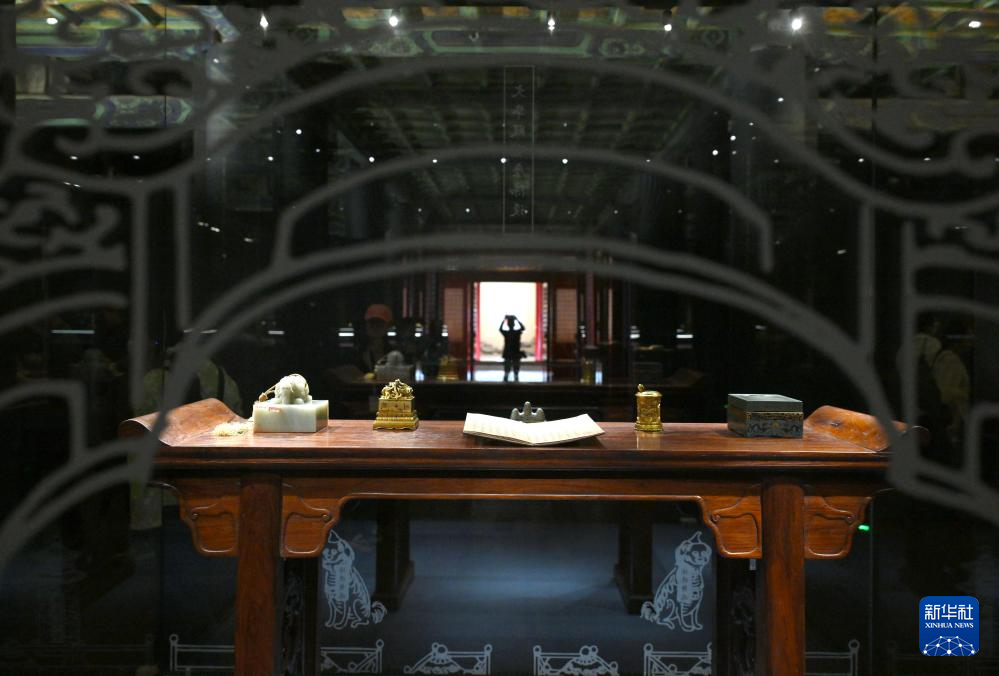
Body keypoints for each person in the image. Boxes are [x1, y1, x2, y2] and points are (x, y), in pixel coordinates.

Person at [499, 314, 526, 382]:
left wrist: (504, 320)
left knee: (507, 366)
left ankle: (506, 376)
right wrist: (517, 320)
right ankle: (515, 376)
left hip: (508, 351)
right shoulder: (517, 332)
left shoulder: (506, 333)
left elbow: (500, 329)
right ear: (514, 324)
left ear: (508, 325)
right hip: (515, 351)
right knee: (516, 366)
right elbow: (523, 328)